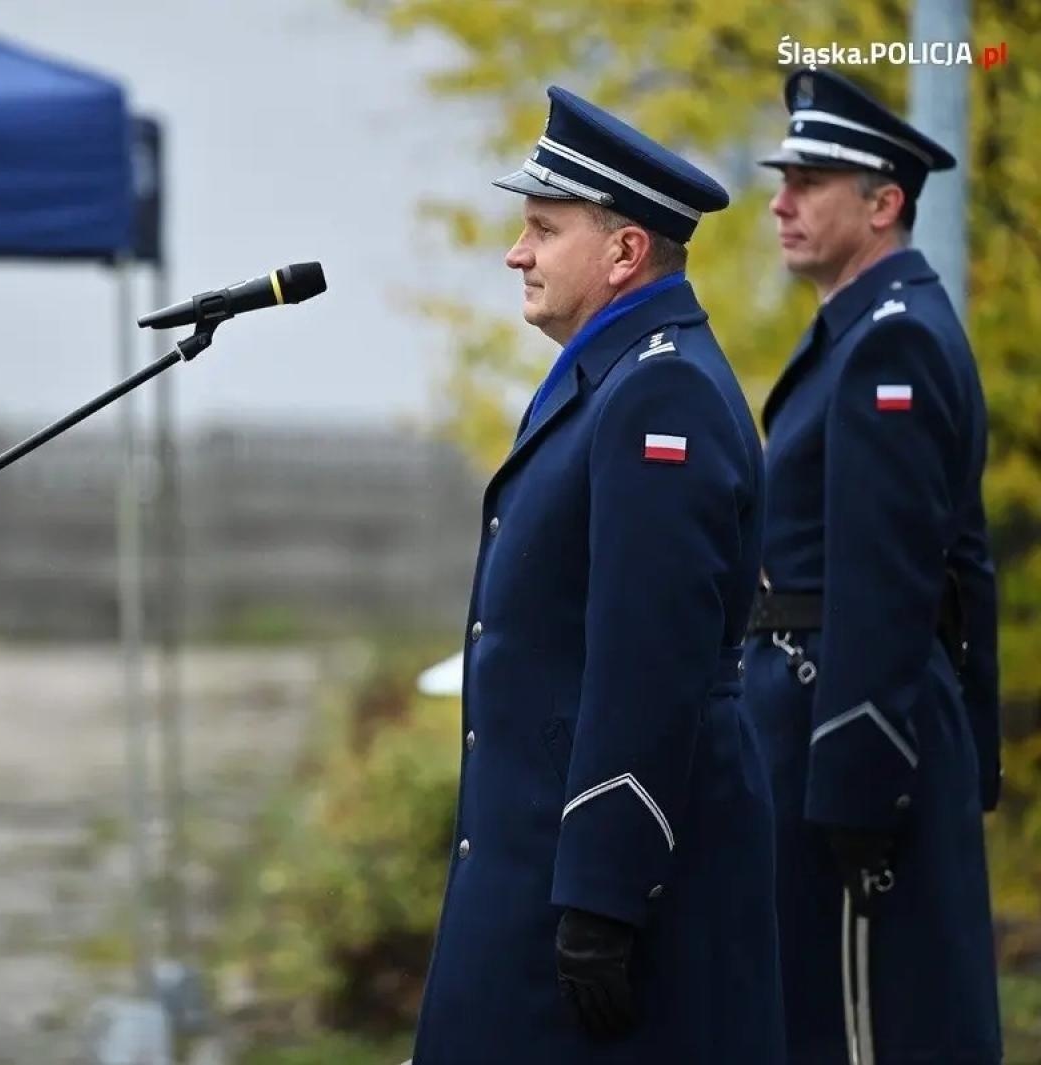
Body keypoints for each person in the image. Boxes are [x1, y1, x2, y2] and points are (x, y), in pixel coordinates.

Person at [408, 86, 780, 1064]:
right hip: (543, 863)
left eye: (542, 228)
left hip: (607, 882)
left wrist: (603, 900)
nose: (514, 253)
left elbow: (646, 663)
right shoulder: (610, 374)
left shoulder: (658, 390)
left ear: (624, 253)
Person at [745, 67, 1002, 1064]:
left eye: (809, 180)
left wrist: (859, 785)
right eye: (784, 178)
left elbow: (892, 586)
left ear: (883, 201)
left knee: (865, 1027)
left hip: (847, 741)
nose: (780, 201)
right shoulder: (862, 334)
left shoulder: (890, 346)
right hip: (825, 726)